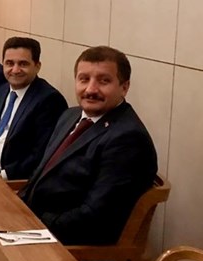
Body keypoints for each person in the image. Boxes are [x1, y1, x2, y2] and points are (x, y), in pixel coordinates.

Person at [19, 46, 157, 246]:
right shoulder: (70, 115)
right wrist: (14, 208)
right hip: (33, 224)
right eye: (84, 79)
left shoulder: (128, 139)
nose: (91, 90)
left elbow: (94, 218)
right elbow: (41, 174)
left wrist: (33, 225)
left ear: (124, 87)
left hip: (67, 245)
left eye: (104, 81)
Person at [0, 37, 67, 180]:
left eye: (23, 64)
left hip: (14, 180)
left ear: (37, 66)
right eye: (9, 63)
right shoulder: (2, 90)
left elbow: (41, 153)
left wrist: (3, 176)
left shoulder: (49, 100)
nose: (15, 70)